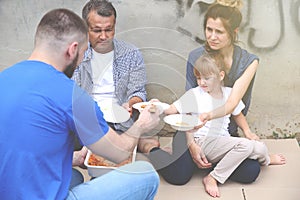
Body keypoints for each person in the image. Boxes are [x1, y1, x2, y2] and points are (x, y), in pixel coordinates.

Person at [0, 8, 160, 200]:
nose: (83, 59)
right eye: (84, 53)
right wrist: (142, 125)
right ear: (72, 49)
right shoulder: (72, 96)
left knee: (74, 176)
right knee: (146, 173)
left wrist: (74, 158)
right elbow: (119, 153)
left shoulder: (5, 77)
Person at [138, 0, 261, 186]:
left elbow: (233, 104)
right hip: (192, 129)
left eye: (219, 32)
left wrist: (246, 133)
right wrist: (192, 145)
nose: (212, 36)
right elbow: (189, 106)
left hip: (223, 134)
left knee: (251, 172)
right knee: (179, 176)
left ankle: (210, 164)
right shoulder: (197, 57)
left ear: (233, 33)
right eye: (208, 29)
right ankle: (149, 147)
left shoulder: (249, 62)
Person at [166, 53, 286, 198]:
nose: (201, 82)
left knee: (259, 146)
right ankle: (213, 177)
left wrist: (247, 132)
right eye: (198, 78)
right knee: (246, 146)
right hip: (203, 141)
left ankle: (266, 158)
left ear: (221, 76)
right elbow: (172, 109)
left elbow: (238, 114)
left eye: (207, 78)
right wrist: (157, 106)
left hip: (222, 141)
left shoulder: (229, 94)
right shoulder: (194, 95)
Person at [72, 0, 147, 132]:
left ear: (114, 26)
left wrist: (130, 105)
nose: (103, 36)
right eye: (96, 30)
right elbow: (70, 93)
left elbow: (138, 91)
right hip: (85, 121)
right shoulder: (76, 55)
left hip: (119, 123)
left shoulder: (131, 54)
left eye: (109, 29)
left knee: (117, 146)